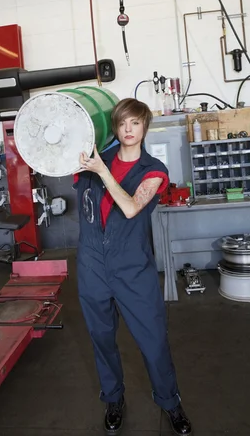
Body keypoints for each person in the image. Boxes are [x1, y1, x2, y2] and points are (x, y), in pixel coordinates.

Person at [73, 98, 193, 436]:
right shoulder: (94, 159)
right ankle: (113, 398)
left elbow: (129, 208)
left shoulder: (154, 171)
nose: (128, 129)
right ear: (114, 127)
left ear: (144, 127)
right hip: (92, 263)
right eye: (122, 123)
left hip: (132, 266)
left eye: (135, 123)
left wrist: (101, 172)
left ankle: (171, 403)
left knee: (153, 340)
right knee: (101, 337)